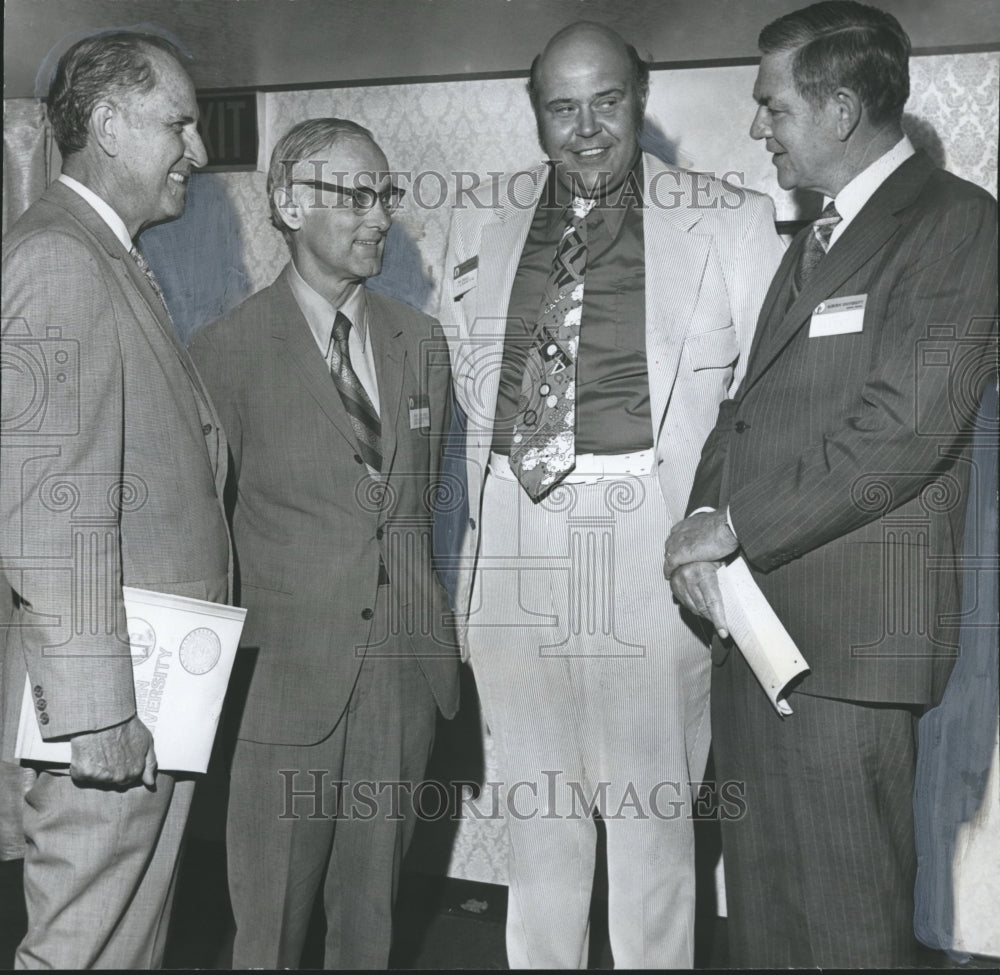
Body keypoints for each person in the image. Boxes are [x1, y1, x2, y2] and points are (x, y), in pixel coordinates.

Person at [440, 21, 783, 968]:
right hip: (513, 517)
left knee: (652, 808)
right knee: (538, 808)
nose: (586, 128)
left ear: (640, 98)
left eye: (606, 102)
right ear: (537, 114)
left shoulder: (728, 216)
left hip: (647, 521)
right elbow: (467, 392)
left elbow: (767, 394)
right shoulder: (479, 216)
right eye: (562, 107)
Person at [663, 1, 998, 967]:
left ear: (841, 107)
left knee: (849, 925)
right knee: (764, 914)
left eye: (772, 107)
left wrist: (732, 527)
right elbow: (748, 404)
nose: (756, 126)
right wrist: (698, 516)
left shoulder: (957, 225)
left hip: (850, 652)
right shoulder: (817, 234)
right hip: (758, 633)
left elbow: (904, 430)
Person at [188, 118, 460, 969]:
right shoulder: (222, 352)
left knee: (369, 921)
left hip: (401, 680)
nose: (379, 217)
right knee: (267, 927)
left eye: (386, 196)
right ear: (289, 205)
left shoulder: (422, 344)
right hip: (282, 688)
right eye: (356, 197)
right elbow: (205, 533)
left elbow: (428, 514)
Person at [0, 31, 230, 969]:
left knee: (122, 943)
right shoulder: (60, 259)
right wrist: (96, 711)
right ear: (105, 124)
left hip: (151, 680)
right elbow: (52, 504)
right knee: (87, 947)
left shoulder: (100, 251)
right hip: (109, 698)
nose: (199, 151)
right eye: (179, 123)